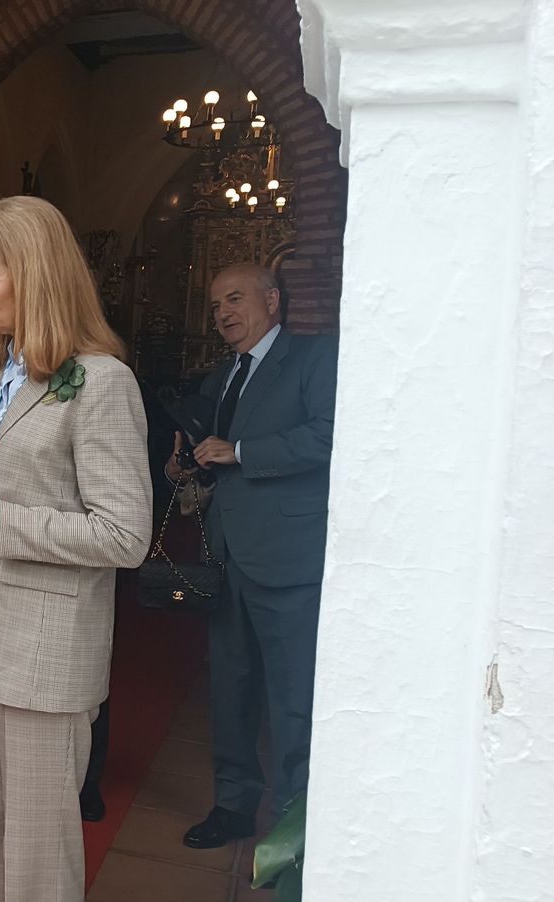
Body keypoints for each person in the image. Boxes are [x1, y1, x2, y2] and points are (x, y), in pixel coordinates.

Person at [0, 196, 151, 901]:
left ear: (38, 276)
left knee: (38, 846)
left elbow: (124, 535)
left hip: (47, 649)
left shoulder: (102, 382)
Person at [165, 264, 336, 849]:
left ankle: (292, 831)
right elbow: (214, 460)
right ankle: (234, 806)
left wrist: (239, 451)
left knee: (292, 699)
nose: (223, 314)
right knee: (230, 690)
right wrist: (186, 464)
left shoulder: (314, 358)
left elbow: (329, 436)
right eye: (215, 305)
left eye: (235, 299)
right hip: (227, 556)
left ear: (272, 300)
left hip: (288, 559)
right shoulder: (222, 376)